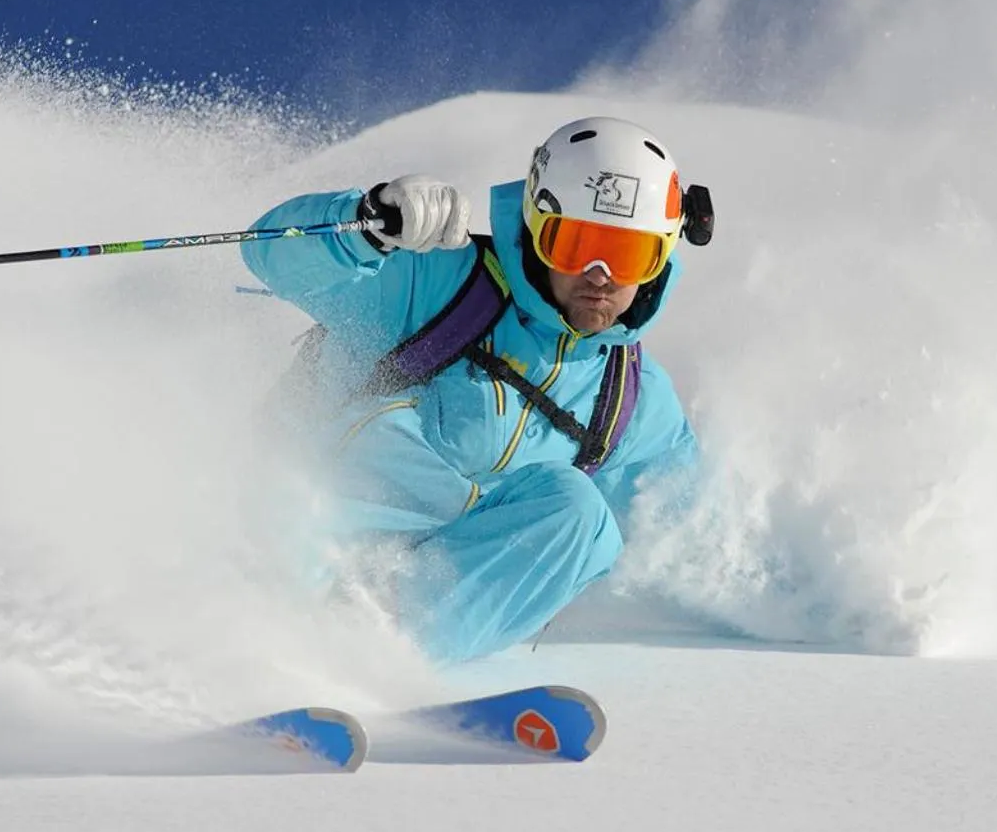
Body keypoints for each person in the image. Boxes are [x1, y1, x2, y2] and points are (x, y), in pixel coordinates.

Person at [241, 115, 713, 661]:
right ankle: (263, 630)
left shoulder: (631, 396)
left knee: (581, 515)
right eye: (575, 244)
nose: (600, 275)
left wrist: (796, 595)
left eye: (629, 254)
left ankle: (375, 658)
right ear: (536, 226)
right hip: (292, 529)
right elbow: (270, 257)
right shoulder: (443, 284)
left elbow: (690, 527)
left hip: (412, 600)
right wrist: (366, 226)